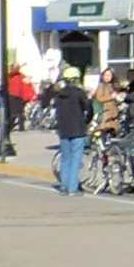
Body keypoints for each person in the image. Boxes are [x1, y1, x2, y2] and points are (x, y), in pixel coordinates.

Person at [53, 67, 93, 195]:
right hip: (78, 128)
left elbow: (56, 113)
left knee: (65, 158)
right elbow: (88, 108)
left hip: (63, 129)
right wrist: (87, 120)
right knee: (76, 159)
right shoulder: (79, 93)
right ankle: (73, 188)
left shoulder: (59, 95)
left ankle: (64, 187)